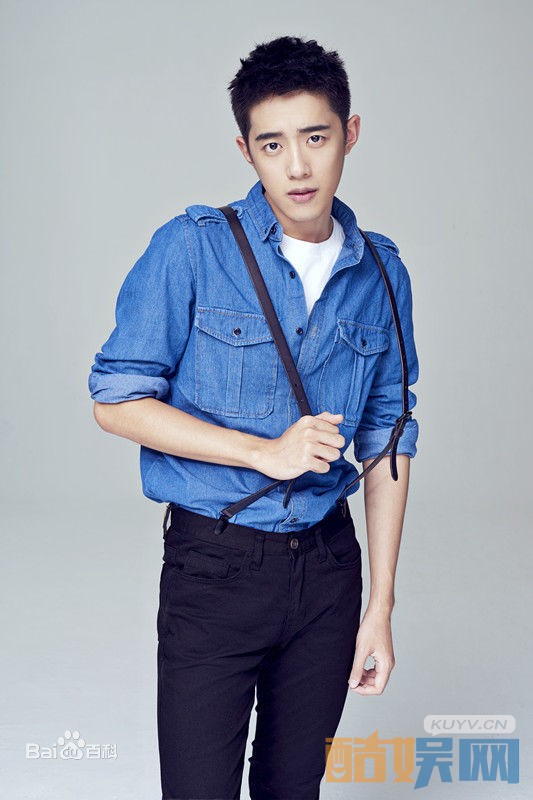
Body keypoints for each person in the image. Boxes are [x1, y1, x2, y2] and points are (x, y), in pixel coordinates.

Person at [88, 34, 420, 800]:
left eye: (315, 137)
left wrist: (379, 606)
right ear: (246, 150)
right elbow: (115, 401)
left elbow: (388, 438)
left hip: (329, 573)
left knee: (291, 790)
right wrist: (259, 452)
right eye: (272, 144)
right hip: (216, 569)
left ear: (349, 133)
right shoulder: (192, 250)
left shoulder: (382, 272)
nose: (296, 166)